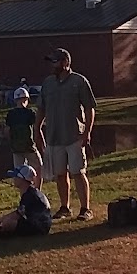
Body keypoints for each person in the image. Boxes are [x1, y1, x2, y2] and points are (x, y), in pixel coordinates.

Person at [36, 47, 96, 221]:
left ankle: (85, 209)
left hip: (75, 136)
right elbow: (41, 108)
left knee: (78, 172)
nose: (52, 65)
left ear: (65, 62)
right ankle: (65, 207)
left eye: (55, 61)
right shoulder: (48, 83)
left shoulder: (79, 81)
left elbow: (90, 108)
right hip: (54, 137)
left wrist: (87, 132)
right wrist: (37, 128)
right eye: (51, 62)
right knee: (60, 174)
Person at [0, 163, 53, 238]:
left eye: (16, 176)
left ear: (23, 179)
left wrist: (2, 220)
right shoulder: (30, 192)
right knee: (8, 222)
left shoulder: (30, 195)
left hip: (39, 226)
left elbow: (18, 214)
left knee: (8, 223)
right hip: (41, 224)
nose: (14, 178)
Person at [4, 85, 43, 184]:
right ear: (26, 99)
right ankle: (37, 189)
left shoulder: (10, 114)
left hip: (16, 147)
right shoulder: (30, 113)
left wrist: (11, 142)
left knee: (19, 172)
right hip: (29, 146)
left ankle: (23, 189)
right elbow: (36, 129)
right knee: (38, 167)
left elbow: (7, 131)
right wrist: (41, 143)